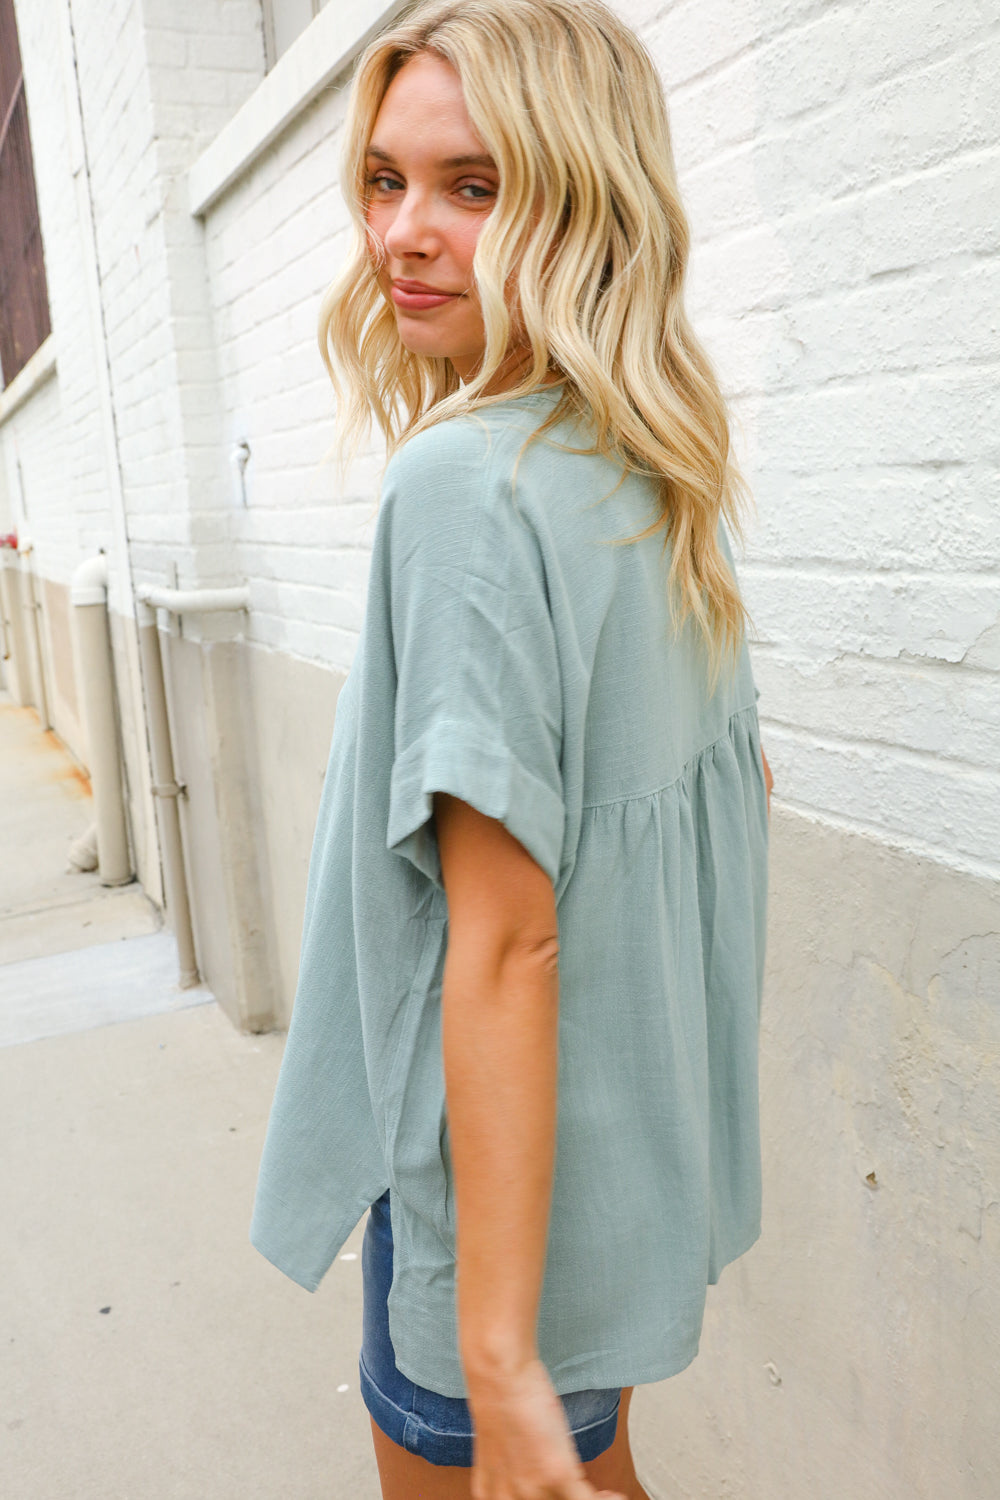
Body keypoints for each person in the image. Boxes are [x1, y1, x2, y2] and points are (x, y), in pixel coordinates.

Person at [250, 2, 774, 1497]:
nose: (402, 234)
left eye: (472, 186)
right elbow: (721, 798)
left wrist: (491, 1346)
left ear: (584, 204)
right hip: (615, 1164)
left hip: (495, 1198)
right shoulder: (655, 460)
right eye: (384, 179)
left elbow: (503, 940)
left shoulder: (468, 485)